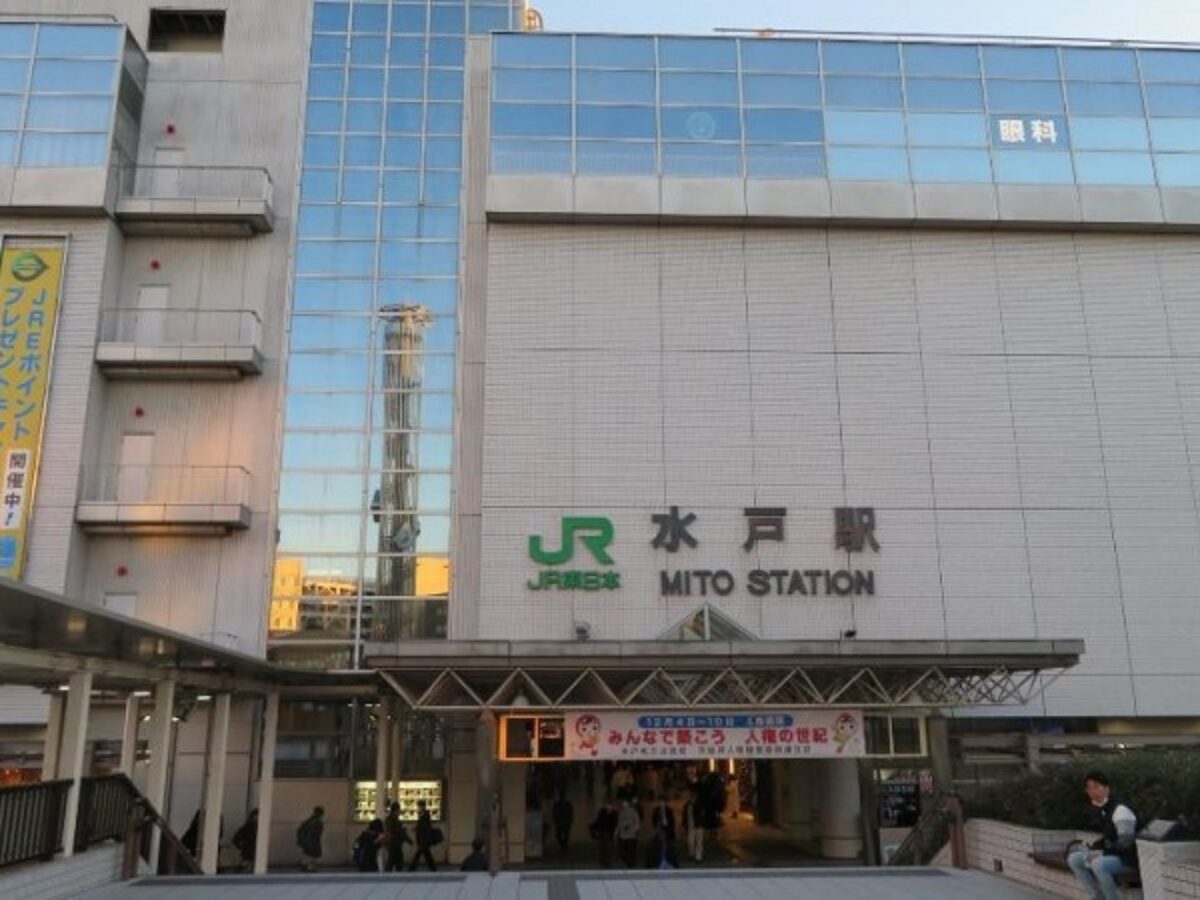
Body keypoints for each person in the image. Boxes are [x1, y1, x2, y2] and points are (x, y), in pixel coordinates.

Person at [1066, 771, 1140, 900]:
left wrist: (1102, 852)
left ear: (1107, 789)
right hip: (1113, 855)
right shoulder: (1103, 809)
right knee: (1075, 859)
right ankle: (1097, 897)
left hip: (1129, 860)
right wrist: (1094, 848)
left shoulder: (1120, 810)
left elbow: (1127, 843)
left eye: (1096, 787)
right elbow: (1108, 837)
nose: (1092, 791)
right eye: (1089, 788)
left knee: (1098, 863)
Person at [645, 794, 677, 869]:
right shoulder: (656, 810)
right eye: (660, 801)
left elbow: (672, 822)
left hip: (667, 830)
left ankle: (667, 859)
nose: (662, 803)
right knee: (658, 847)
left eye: (663, 802)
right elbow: (653, 821)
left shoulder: (669, 810)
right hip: (658, 830)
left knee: (668, 847)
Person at [408, 799, 438, 871]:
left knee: (419, 854)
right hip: (423, 838)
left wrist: (417, 829)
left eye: (419, 806)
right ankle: (432, 868)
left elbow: (424, 827)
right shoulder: (424, 815)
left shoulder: (425, 816)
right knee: (426, 854)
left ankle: (412, 868)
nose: (418, 808)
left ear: (422, 807)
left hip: (423, 838)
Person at [383, 801, 411, 872]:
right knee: (397, 861)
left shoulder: (389, 819)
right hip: (395, 843)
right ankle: (394, 875)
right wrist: (408, 840)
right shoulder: (394, 820)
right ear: (396, 810)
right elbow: (399, 832)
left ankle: (389, 875)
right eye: (399, 810)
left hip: (392, 843)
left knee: (392, 861)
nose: (400, 811)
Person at [590, 799, 618, 868]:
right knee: (603, 848)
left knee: (608, 848)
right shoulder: (602, 813)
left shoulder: (614, 814)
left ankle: (607, 862)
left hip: (609, 833)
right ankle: (603, 862)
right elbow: (599, 822)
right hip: (603, 832)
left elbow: (615, 823)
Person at [296, 806, 324, 872]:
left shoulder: (310, 820)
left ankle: (306, 864)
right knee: (313, 854)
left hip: (309, 841)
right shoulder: (315, 821)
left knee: (310, 854)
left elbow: (301, 829)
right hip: (312, 841)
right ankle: (309, 866)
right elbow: (317, 831)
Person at [616, 798, 640, 868]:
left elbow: (636, 822)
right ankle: (628, 862)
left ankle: (630, 863)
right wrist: (618, 831)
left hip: (631, 834)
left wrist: (636, 829)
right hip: (624, 835)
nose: (624, 805)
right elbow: (619, 823)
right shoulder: (621, 813)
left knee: (630, 850)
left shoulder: (633, 812)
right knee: (624, 851)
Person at [683, 787, 704, 863]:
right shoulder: (687, 805)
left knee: (699, 842)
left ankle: (698, 857)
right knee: (690, 841)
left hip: (698, 825)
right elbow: (685, 816)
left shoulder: (699, 804)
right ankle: (691, 853)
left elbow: (702, 814)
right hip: (691, 825)